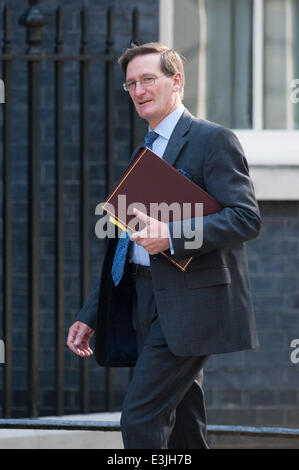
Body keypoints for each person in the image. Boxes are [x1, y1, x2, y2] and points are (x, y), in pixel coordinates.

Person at [67, 42, 262, 449]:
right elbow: (124, 241)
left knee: (140, 418)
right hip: (142, 297)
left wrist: (172, 237)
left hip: (190, 303)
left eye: (148, 79)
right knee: (185, 426)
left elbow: (245, 218)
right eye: (131, 83)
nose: (138, 90)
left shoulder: (213, 140)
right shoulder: (146, 148)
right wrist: (92, 313)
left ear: (177, 82)